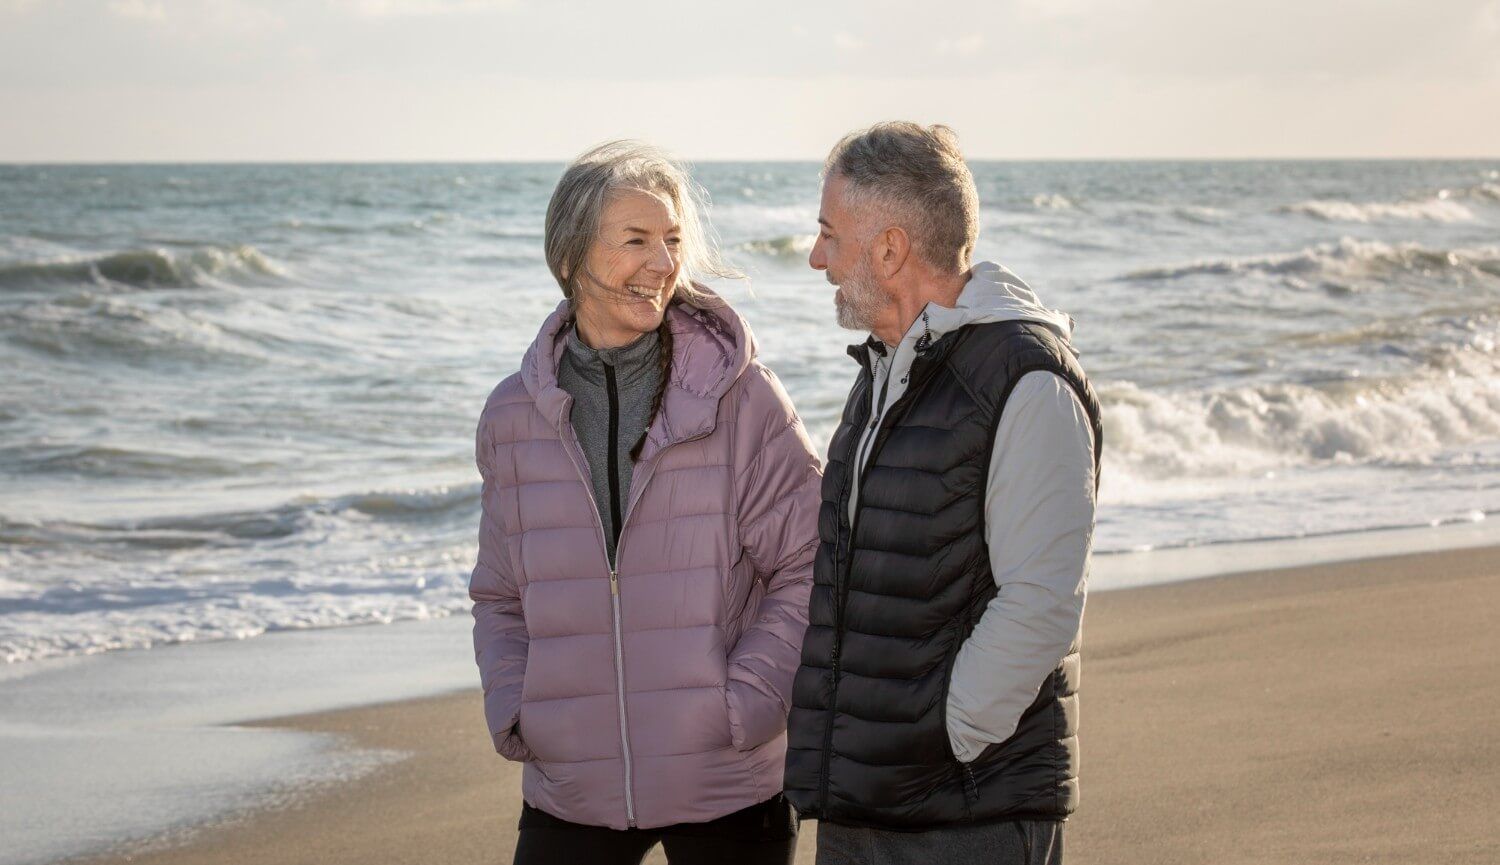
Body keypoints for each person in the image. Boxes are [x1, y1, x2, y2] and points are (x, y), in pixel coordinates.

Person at [469, 141, 821, 865]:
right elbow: (501, 592)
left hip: (725, 775)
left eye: (672, 241)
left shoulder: (742, 399)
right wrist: (518, 705)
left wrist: (746, 702)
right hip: (571, 784)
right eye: (637, 241)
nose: (662, 263)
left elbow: (811, 563)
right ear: (571, 255)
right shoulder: (512, 415)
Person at [783, 122, 1103, 864]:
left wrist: (947, 732)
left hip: (966, 817)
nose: (816, 256)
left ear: (890, 248)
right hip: (868, 803)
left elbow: (1042, 599)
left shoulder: (1027, 379)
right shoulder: (890, 370)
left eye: (830, 233)